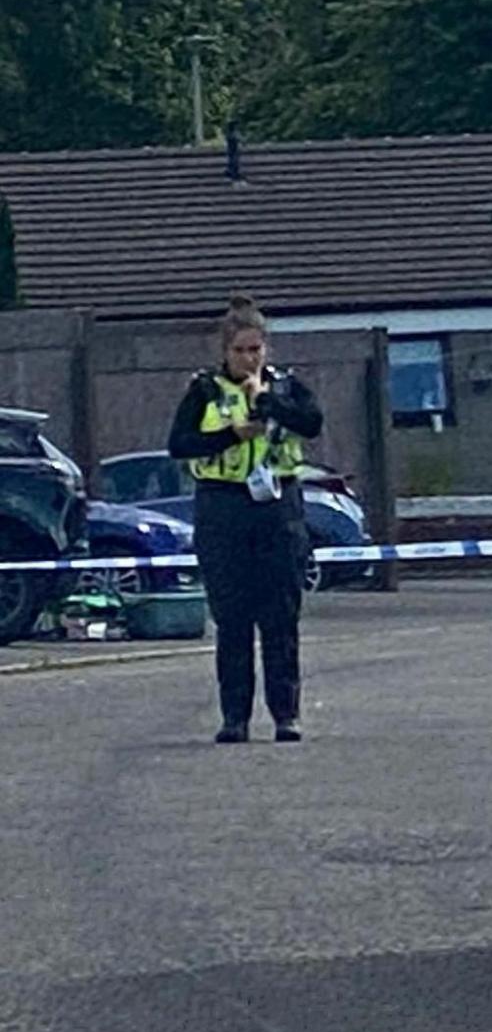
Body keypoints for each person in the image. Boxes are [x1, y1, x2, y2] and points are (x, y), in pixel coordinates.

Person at [166, 302, 326, 743]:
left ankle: (286, 715)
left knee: (281, 619)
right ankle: (234, 718)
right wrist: (232, 434)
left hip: (278, 508)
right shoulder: (203, 391)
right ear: (226, 351)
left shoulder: (286, 386)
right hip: (224, 507)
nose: (250, 358)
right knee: (233, 620)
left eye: (256, 348)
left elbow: (312, 423)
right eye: (241, 350)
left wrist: (268, 403)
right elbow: (179, 444)